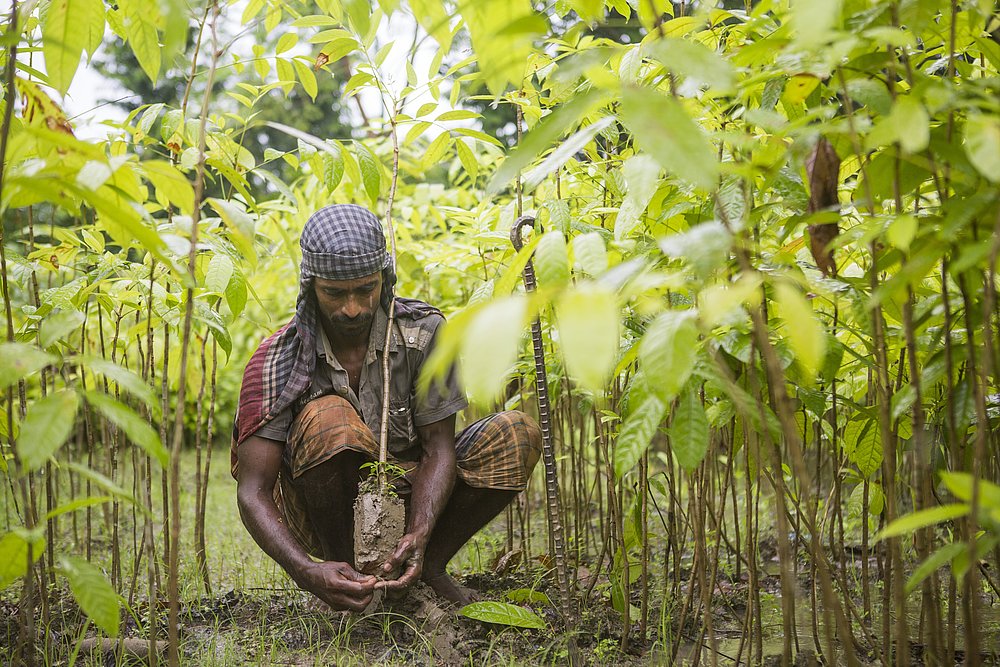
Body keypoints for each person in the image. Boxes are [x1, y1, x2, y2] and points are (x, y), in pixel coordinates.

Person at [231, 204, 541, 612]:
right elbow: (253, 490)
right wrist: (306, 571)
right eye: (334, 293)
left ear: (384, 278)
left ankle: (424, 568)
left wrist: (420, 531)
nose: (353, 308)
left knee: (517, 433)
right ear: (310, 287)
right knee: (331, 421)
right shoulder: (277, 359)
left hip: (413, 493)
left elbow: (438, 448)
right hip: (317, 509)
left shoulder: (423, 332)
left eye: (366, 289)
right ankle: (345, 579)